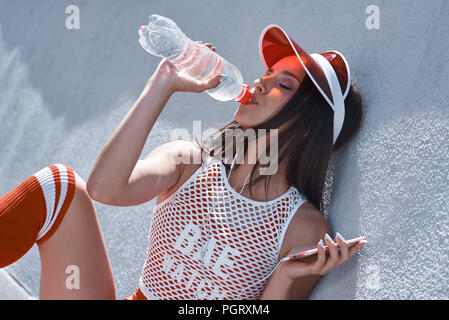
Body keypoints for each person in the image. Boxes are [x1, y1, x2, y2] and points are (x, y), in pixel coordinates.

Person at [0, 24, 365, 300]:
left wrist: (284, 278)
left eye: (282, 85)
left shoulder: (303, 228)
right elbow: (104, 188)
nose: (259, 82)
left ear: (307, 127)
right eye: (266, 74)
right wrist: (163, 83)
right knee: (59, 185)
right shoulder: (190, 161)